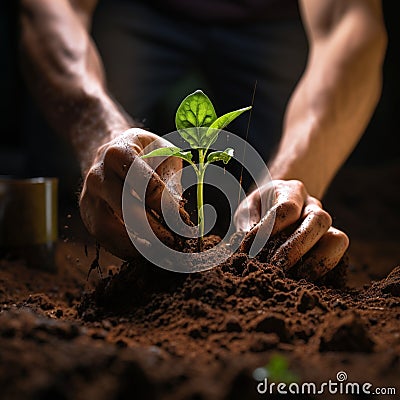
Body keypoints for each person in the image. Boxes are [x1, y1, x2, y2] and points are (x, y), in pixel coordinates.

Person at [18, 0, 387, 278]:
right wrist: (100, 131)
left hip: (270, 19)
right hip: (139, 8)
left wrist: (291, 180)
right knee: (91, 175)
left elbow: (349, 20)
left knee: (283, 215)